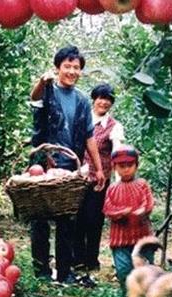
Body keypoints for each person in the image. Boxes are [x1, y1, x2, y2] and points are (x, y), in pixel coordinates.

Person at [29, 45, 105, 284]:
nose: (72, 71)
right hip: (43, 163)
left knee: (67, 219)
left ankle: (65, 271)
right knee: (39, 216)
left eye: (76, 67)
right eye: (67, 66)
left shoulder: (83, 101)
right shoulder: (48, 90)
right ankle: (41, 269)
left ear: (80, 71)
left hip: (70, 164)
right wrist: (42, 82)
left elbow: (88, 136)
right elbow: (34, 98)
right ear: (57, 68)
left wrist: (98, 167)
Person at [73, 83, 125, 277]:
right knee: (77, 218)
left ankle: (91, 260)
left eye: (108, 99)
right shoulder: (82, 120)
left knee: (94, 220)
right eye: (100, 98)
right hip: (78, 179)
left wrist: (119, 182)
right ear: (93, 99)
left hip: (99, 180)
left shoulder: (114, 126)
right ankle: (76, 259)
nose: (104, 102)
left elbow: (117, 153)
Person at [102, 145, 155, 297]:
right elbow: (107, 209)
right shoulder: (112, 188)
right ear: (114, 168)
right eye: (121, 166)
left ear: (136, 166)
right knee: (124, 271)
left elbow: (149, 203)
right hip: (120, 240)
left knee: (147, 271)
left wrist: (143, 210)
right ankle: (128, 296)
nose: (126, 169)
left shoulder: (142, 184)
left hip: (142, 238)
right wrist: (120, 213)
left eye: (130, 165)